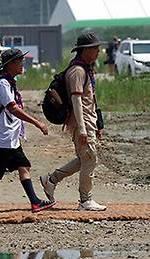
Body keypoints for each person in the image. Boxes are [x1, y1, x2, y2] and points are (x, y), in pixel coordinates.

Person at [0, 48, 55, 218]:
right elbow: (13, 109)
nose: (22, 64)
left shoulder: (9, 82)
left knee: (23, 166)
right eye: (19, 61)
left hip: (10, 138)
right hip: (1, 139)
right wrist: (37, 122)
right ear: (10, 65)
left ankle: (34, 202)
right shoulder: (2, 84)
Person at [39, 32, 107, 212]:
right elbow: (76, 100)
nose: (98, 52)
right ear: (85, 50)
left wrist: (98, 124)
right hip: (81, 122)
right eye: (95, 49)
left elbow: (91, 100)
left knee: (85, 158)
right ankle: (85, 200)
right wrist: (83, 129)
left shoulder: (86, 69)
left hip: (89, 120)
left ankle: (51, 180)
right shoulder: (77, 71)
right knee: (90, 158)